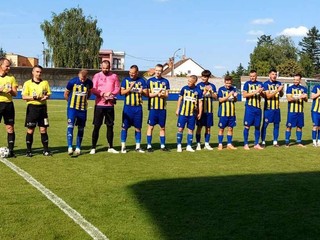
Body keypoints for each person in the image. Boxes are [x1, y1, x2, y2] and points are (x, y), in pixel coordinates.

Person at [89, 60, 120, 154]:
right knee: (97, 126)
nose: (105, 70)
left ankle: (110, 147)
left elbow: (117, 88)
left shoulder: (114, 76)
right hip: (99, 105)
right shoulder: (97, 76)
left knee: (110, 126)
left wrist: (111, 94)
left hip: (110, 105)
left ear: (110, 67)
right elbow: (93, 89)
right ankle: (93, 147)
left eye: (107, 68)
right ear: (101, 67)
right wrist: (102, 94)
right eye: (103, 68)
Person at [22, 65, 52, 157]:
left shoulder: (45, 83)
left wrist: (46, 97)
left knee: (43, 129)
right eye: (37, 72)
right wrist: (34, 97)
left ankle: (46, 150)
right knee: (30, 130)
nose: (39, 73)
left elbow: (49, 94)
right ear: (33, 72)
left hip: (43, 108)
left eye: (40, 72)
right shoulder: (27, 83)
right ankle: (29, 151)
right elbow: (23, 96)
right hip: (32, 108)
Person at [64, 69, 93, 156]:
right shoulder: (72, 82)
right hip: (72, 108)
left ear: (87, 77)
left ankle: (78, 147)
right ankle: (69, 147)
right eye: (81, 78)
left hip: (83, 110)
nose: (82, 80)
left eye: (84, 78)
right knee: (70, 126)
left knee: (81, 128)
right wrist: (69, 102)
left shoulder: (89, 83)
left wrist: (85, 100)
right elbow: (66, 93)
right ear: (78, 75)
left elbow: (89, 93)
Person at [120, 65, 148, 153]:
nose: (131, 74)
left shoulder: (141, 81)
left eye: (133, 73)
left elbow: (147, 94)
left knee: (138, 128)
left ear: (137, 72)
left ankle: (138, 146)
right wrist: (130, 88)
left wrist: (142, 91)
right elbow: (121, 92)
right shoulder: (125, 80)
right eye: (130, 73)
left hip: (138, 108)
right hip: (127, 108)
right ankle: (123, 146)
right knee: (124, 127)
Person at [146, 64, 170, 152]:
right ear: (154, 70)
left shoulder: (166, 81)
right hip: (153, 108)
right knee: (150, 127)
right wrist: (157, 94)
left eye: (160, 71)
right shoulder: (149, 81)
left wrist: (162, 95)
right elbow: (148, 94)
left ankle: (162, 145)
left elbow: (167, 95)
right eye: (157, 70)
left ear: (162, 71)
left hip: (162, 109)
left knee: (162, 127)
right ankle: (149, 146)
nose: (158, 72)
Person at [176, 75, 203, 152]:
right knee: (180, 129)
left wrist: (200, 113)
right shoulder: (184, 88)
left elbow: (200, 103)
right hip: (183, 113)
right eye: (188, 81)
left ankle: (189, 146)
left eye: (190, 82)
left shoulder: (198, 91)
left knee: (190, 130)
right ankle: (179, 145)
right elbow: (180, 98)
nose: (188, 83)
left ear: (195, 82)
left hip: (192, 114)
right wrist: (178, 109)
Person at [261, 69, 284, 147]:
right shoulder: (266, 84)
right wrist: (277, 90)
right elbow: (268, 96)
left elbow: (281, 95)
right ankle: (263, 142)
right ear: (269, 75)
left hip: (277, 108)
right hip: (268, 109)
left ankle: (275, 141)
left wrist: (281, 90)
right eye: (273, 74)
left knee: (276, 125)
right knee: (265, 125)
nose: (274, 76)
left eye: (275, 74)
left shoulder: (279, 83)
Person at [0, 57, 18, 158]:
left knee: (10, 127)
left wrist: (10, 91)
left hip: (8, 105)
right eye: (7, 66)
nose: (9, 68)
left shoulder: (11, 78)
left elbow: (15, 93)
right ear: (1, 66)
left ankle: (11, 151)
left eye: (9, 66)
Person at [195, 70, 217, 151]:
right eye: (203, 76)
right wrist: (204, 92)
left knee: (208, 128)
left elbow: (216, 97)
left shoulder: (212, 86)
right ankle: (198, 144)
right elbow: (197, 97)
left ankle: (206, 144)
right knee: (199, 127)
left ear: (208, 77)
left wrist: (211, 92)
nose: (204, 78)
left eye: (206, 77)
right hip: (200, 111)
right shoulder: (198, 86)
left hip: (209, 110)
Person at [242, 70, 264, 150]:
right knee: (247, 126)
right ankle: (245, 144)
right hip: (249, 108)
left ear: (256, 76)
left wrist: (261, 92)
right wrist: (255, 91)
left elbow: (263, 95)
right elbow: (244, 95)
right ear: (249, 76)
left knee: (257, 126)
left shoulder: (260, 84)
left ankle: (256, 144)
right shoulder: (247, 84)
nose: (252, 78)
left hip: (258, 108)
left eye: (253, 76)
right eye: (251, 76)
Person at [284, 73, 308, 147]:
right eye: (294, 79)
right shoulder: (290, 88)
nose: (295, 81)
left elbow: (306, 100)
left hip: (300, 111)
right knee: (289, 126)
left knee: (299, 126)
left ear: (300, 80)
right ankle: (287, 143)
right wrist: (300, 97)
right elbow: (289, 99)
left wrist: (304, 97)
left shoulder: (304, 88)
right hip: (291, 111)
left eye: (297, 80)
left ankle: (299, 142)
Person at [217, 76, 237, 150]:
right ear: (224, 82)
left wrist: (235, 97)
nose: (228, 84)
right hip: (223, 113)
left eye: (230, 83)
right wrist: (229, 95)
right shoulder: (221, 89)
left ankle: (229, 144)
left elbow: (235, 100)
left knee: (230, 128)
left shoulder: (233, 89)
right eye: (227, 82)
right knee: (221, 129)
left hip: (231, 113)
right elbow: (220, 100)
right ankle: (220, 144)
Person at [311, 83, 320, 147]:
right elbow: (312, 97)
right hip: (315, 110)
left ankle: (319, 141)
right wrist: (319, 93)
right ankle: (314, 141)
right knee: (315, 126)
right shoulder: (316, 87)